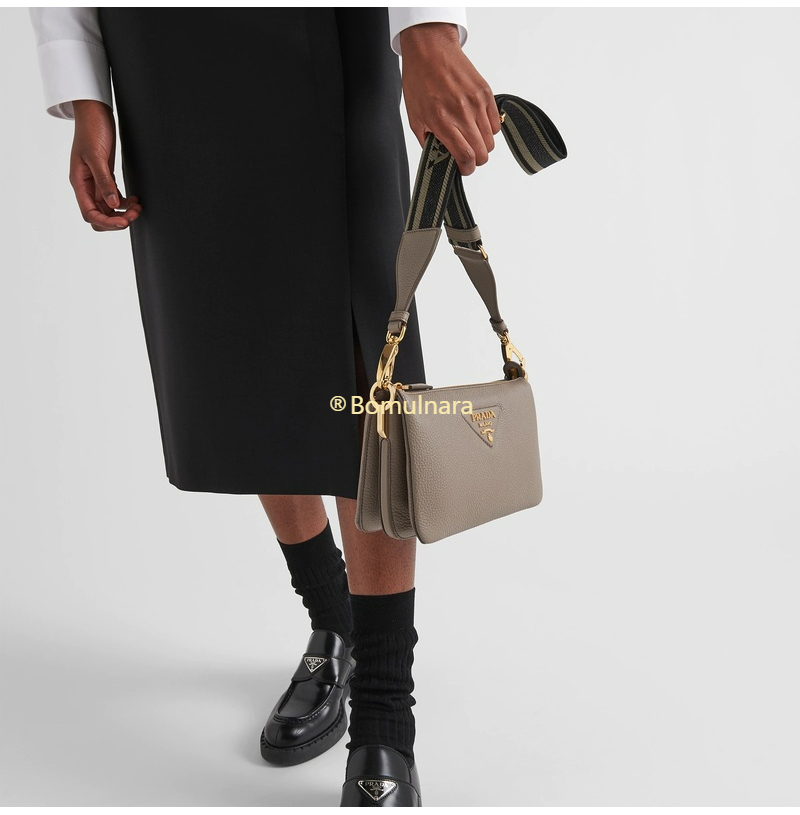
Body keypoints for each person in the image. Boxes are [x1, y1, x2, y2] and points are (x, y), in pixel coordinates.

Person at [29, 7, 501, 807]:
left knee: (363, 377)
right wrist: (86, 93)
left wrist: (427, 28)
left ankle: (384, 710)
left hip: (318, 30)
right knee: (244, 350)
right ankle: (332, 616)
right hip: (165, 53)